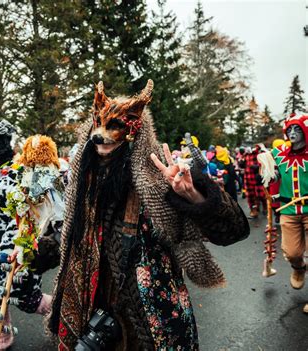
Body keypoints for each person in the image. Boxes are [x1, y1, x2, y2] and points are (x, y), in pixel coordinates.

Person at [47, 80, 250, 350]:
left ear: (134, 132)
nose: (101, 136)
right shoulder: (84, 187)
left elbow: (233, 230)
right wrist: (32, 253)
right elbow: (71, 241)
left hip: (153, 321)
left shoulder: (157, 183)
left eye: (114, 126)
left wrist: (194, 196)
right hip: (95, 318)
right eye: (98, 124)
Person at [0, 121, 63, 351]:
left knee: (28, 299)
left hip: (12, 254)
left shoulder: (27, 182)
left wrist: (12, 249)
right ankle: (2, 338)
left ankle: (63, 311)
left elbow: (25, 222)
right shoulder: (6, 173)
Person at [260, 113, 308, 293]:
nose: (293, 132)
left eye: (298, 129)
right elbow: (273, 175)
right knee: (292, 253)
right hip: (288, 210)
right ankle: (298, 269)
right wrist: (269, 175)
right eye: (290, 129)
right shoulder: (277, 154)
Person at [244, 144, 266, 218]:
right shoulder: (245, 155)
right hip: (248, 177)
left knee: (261, 195)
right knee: (250, 195)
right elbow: (242, 164)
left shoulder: (258, 154)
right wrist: (241, 162)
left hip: (257, 178)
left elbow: (264, 163)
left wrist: (257, 166)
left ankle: (265, 206)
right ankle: (254, 210)